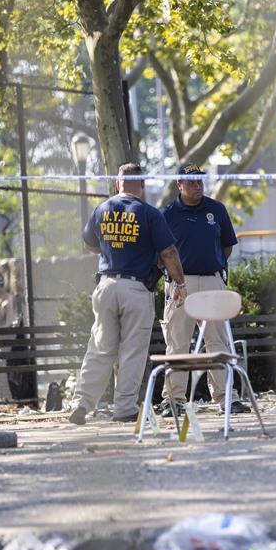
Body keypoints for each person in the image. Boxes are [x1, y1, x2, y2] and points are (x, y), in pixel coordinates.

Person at [68, 163, 187, 425]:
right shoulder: (149, 214)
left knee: (99, 348)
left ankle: (81, 403)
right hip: (136, 288)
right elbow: (168, 253)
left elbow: (90, 244)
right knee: (132, 351)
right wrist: (179, 282)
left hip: (106, 285)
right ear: (142, 185)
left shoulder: (102, 208)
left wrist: (115, 247)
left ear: (117, 184)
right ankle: (124, 408)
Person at [159, 162, 247, 416]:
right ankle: (173, 400)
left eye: (200, 181)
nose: (197, 186)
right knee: (177, 343)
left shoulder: (216, 209)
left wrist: (213, 266)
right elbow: (161, 253)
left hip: (212, 282)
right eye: (191, 182)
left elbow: (227, 246)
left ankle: (226, 398)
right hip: (179, 285)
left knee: (217, 342)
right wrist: (175, 277)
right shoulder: (167, 214)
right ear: (179, 184)